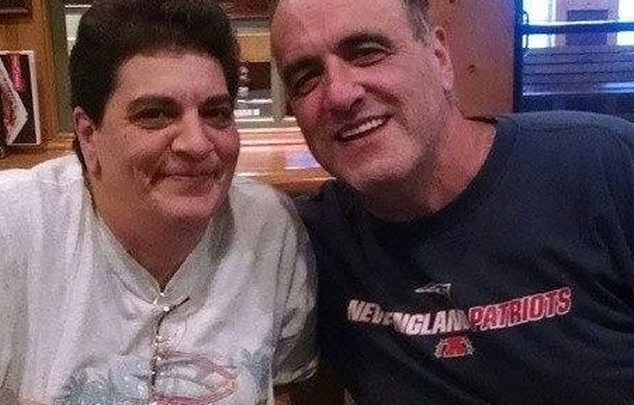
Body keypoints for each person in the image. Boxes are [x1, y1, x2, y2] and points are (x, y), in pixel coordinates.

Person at [0, 0, 317, 403]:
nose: (196, 143)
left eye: (217, 113)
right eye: (155, 114)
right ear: (89, 135)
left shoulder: (269, 230)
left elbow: (288, 387)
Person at [270, 0, 634, 403]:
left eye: (367, 52)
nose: (339, 94)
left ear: (440, 58)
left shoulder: (606, 166)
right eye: (305, 77)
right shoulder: (307, 244)